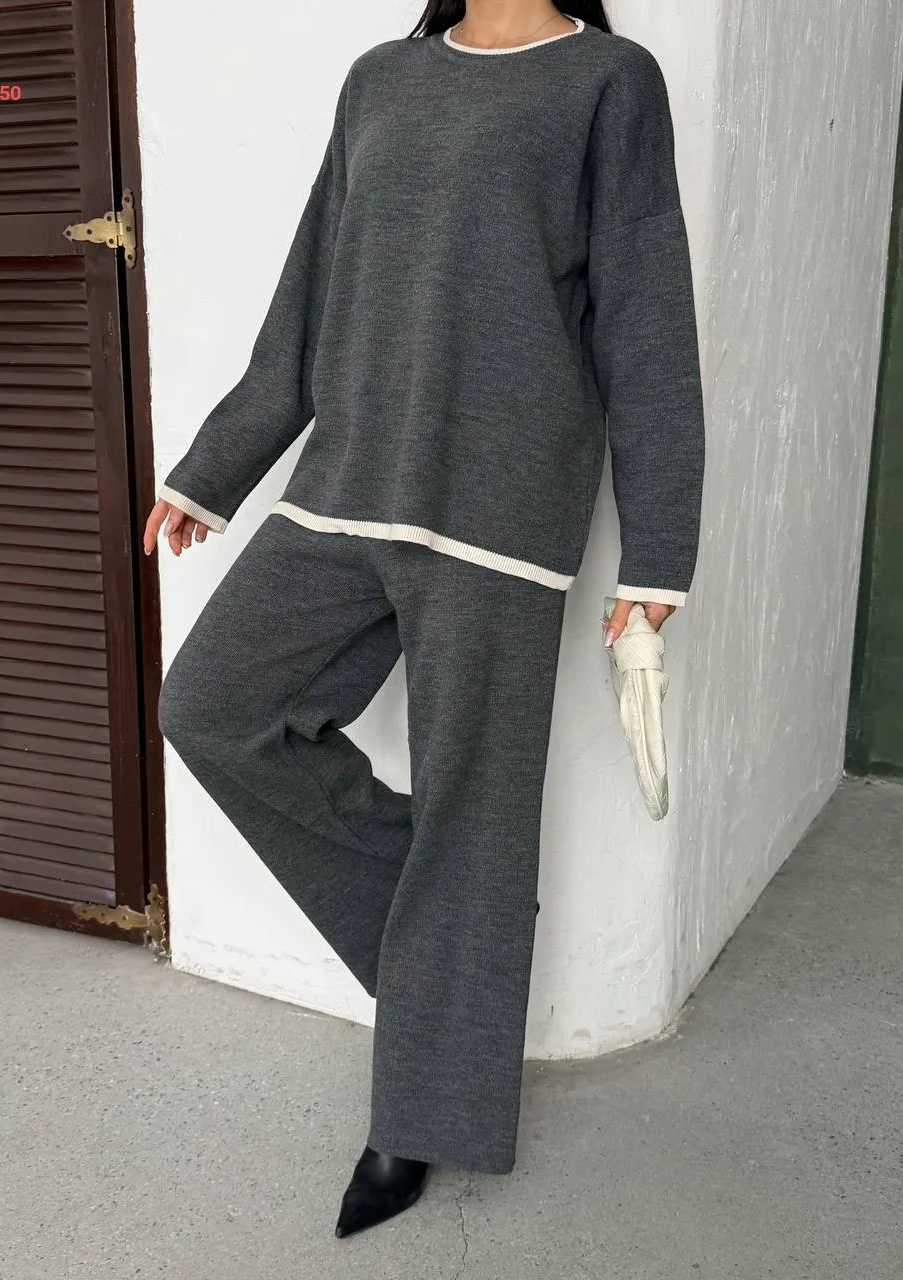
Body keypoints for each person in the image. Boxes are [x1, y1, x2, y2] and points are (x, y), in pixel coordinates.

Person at [147, 0, 706, 1240]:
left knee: (473, 807)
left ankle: (418, 1111)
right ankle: (461, 931)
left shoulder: (609, 81)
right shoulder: (380, 81)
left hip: (500, 511)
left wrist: (658, 551)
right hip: (346, 484)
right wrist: (214, 469)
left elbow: (646, 316)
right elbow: (310, 295)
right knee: (214, 706)